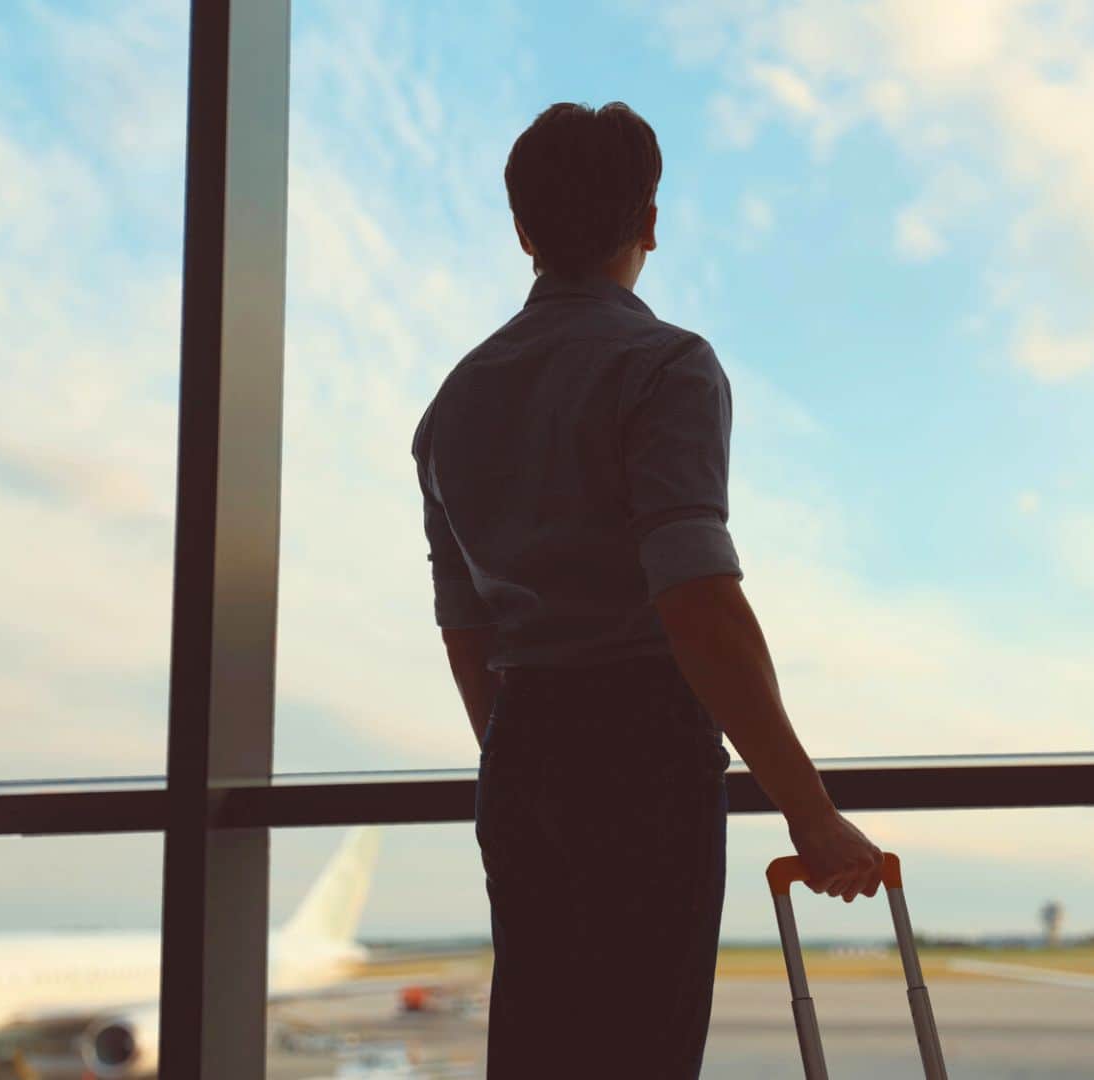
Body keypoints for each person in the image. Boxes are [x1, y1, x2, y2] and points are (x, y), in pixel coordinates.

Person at [411, 100, 884, 1077]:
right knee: (641, 1048)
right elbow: (696, 600)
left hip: (522, 749)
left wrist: (527, 753)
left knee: (540, 1047)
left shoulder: (454, 402)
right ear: (651, 222)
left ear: (524, 231)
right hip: (640, 748)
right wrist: (810, 811)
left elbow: (466, 628)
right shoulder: (663, 365)